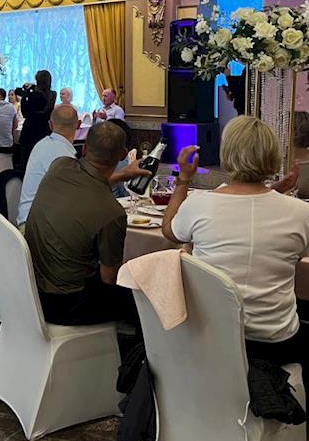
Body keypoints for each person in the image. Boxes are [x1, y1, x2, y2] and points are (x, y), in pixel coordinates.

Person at [162, 117, 309, 383]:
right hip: (276, 344)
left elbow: (169, 230)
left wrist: (183, 179)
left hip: (212, 341)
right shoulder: (301, 213)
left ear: (226, 153)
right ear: (273, 156)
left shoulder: (200, 205)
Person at [25, 122, 138, 326]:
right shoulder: (112, 212)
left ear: (85, 148)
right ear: (123, 155)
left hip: (31, 289)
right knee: (146, 295)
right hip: (66, 305)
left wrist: (123, 175)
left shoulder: (59, 166)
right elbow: (109, 279)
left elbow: (89, 185)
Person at [18, 108, 149, 226]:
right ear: (79, 124)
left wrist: (124, 174)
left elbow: (84, 188)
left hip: (29, 221)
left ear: (50, 125)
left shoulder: (41, 145)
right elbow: (86, 190)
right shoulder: (65, 157)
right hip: (38, 227)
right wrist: (124, 174)